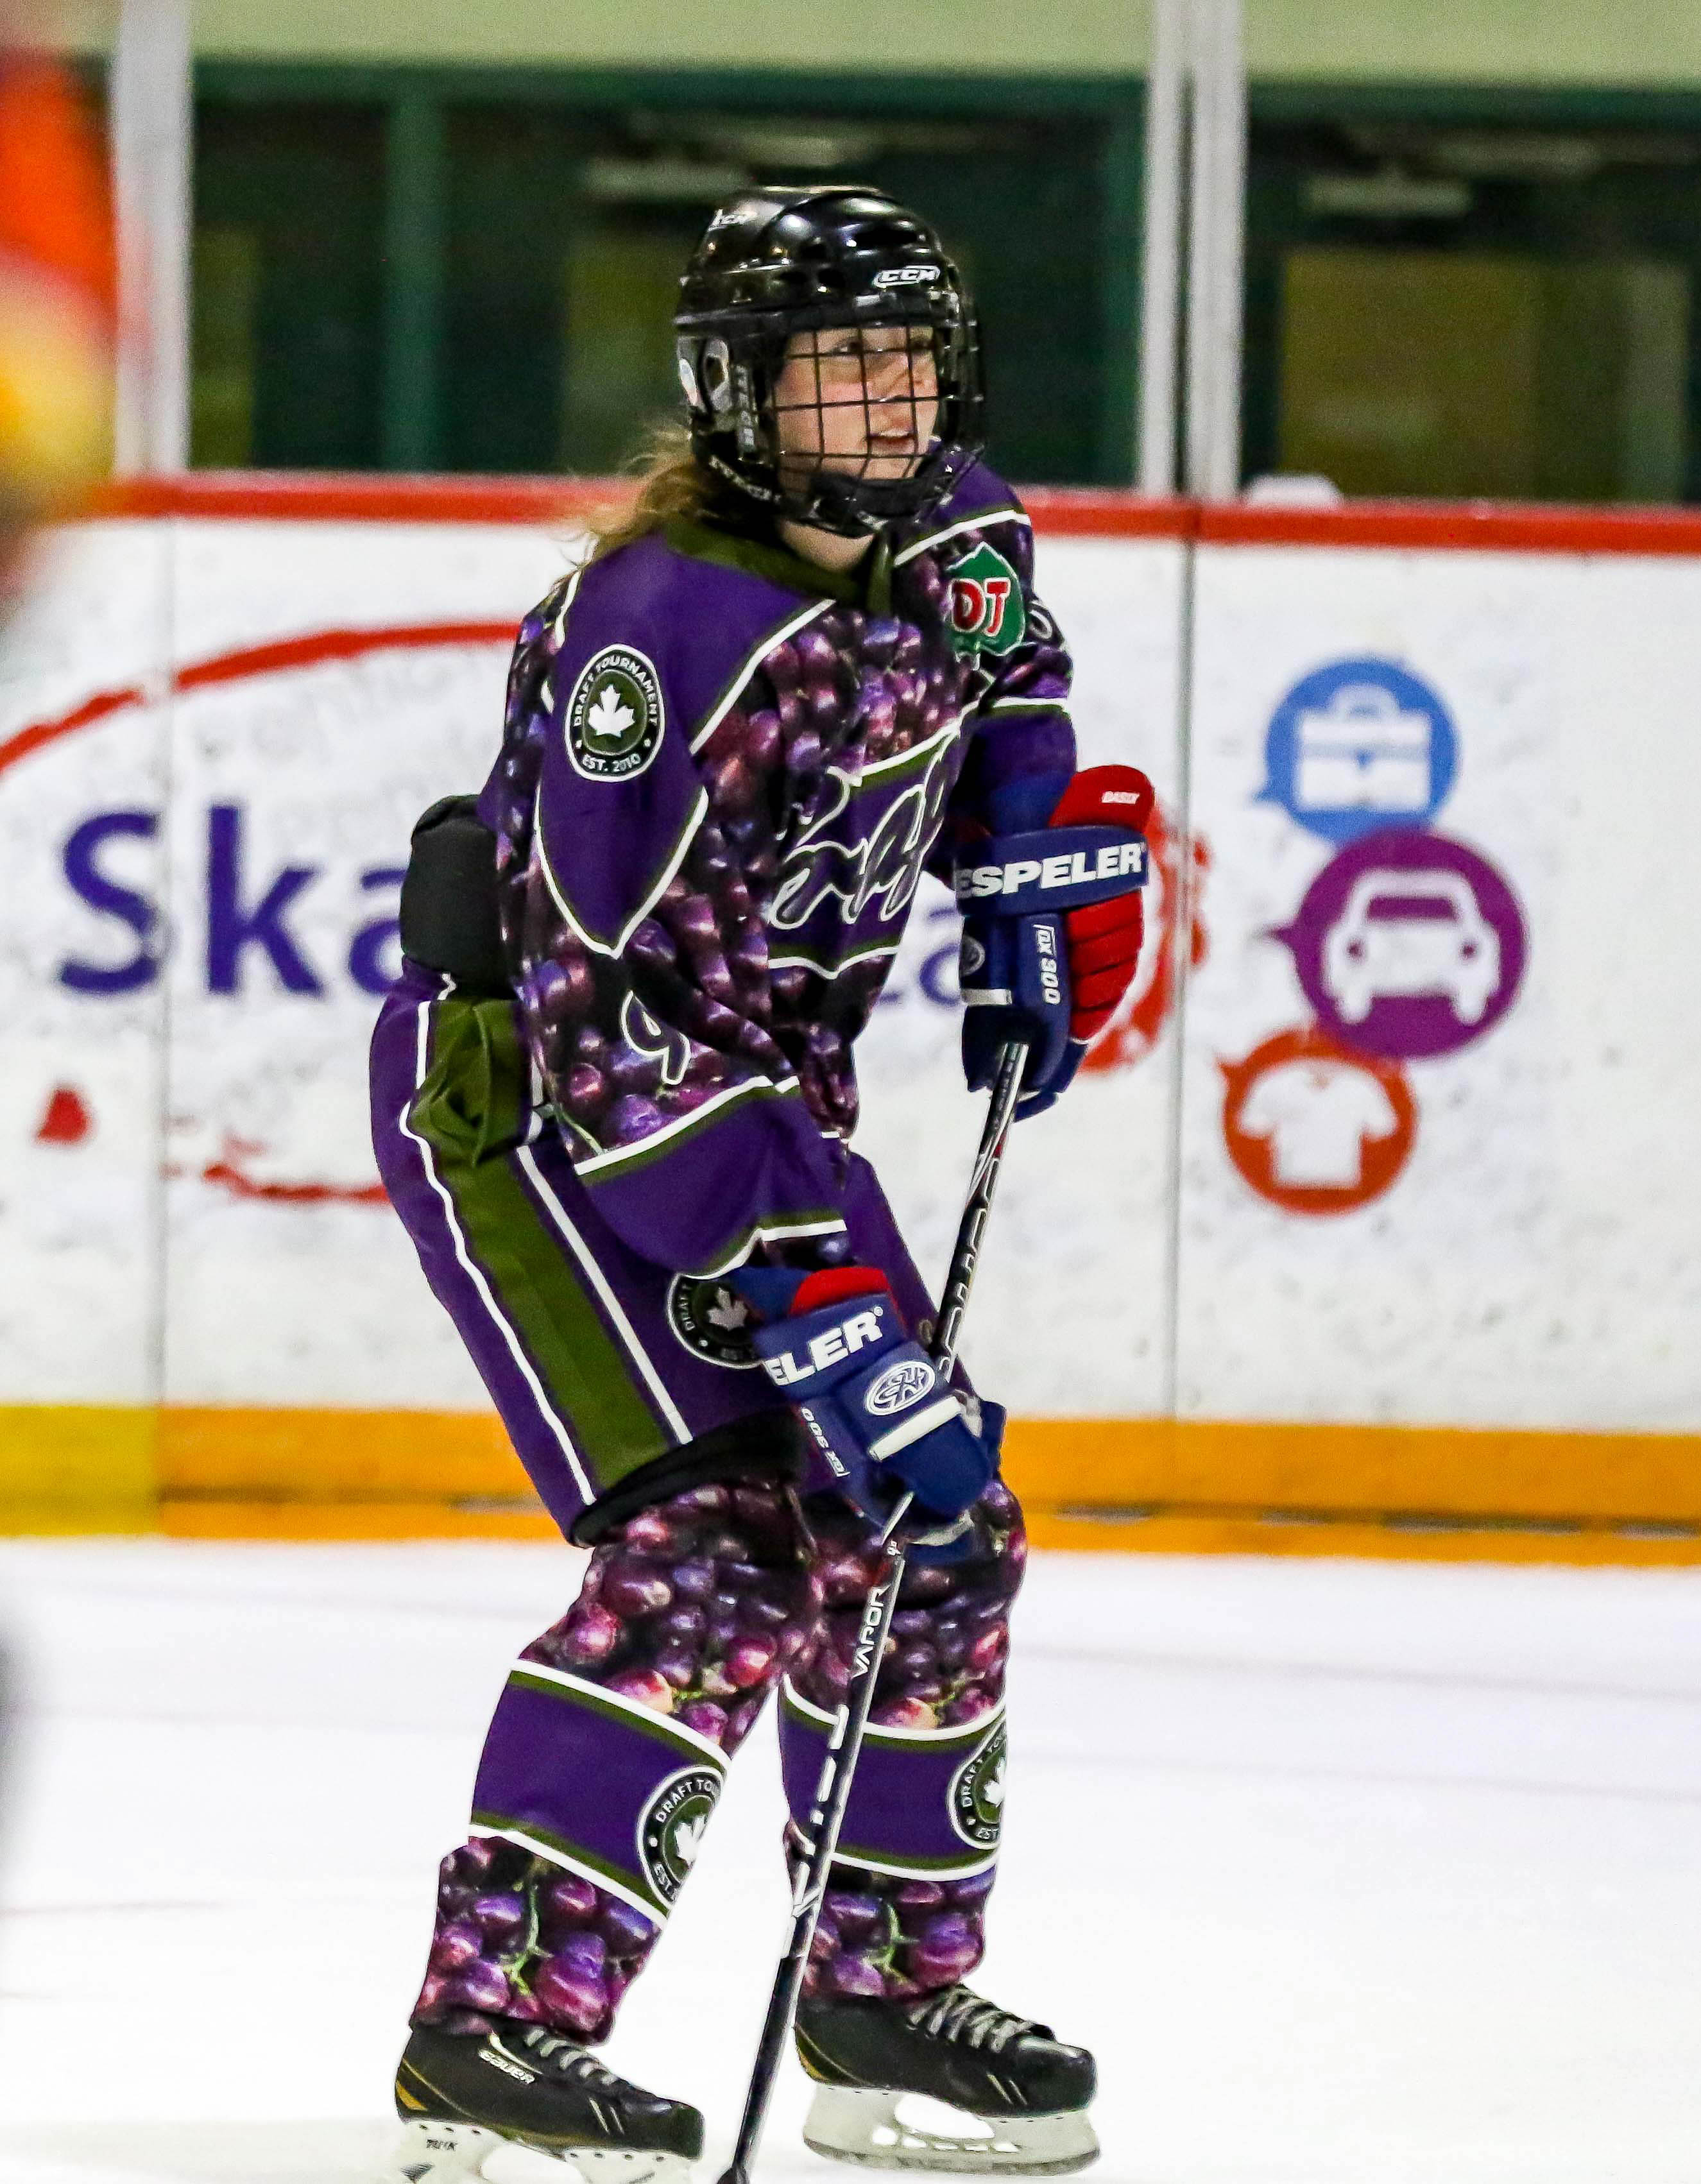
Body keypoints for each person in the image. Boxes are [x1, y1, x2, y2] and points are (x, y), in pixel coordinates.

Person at [370, 185, 1151, 2183]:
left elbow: (1010, 677)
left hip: (759, 1112)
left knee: (932, 1516)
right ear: (739, 394)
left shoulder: (952, 525)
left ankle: (882, 1990)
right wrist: (804, 1291)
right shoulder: (662, 636)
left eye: (909, 359)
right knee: (720, 1547)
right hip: (544, 1114)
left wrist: (1024, 870)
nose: (887, 402)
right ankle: (497, 2025)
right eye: (837, 366)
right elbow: (600, 1009)